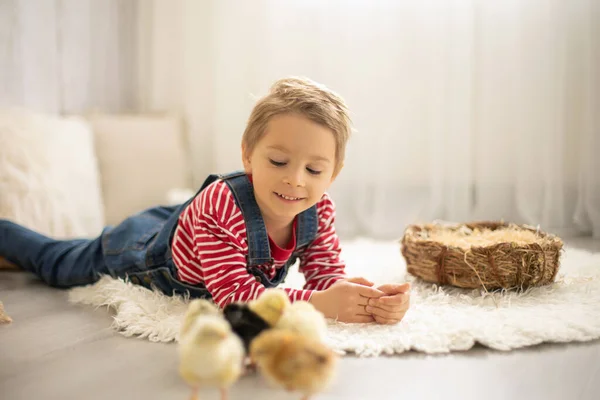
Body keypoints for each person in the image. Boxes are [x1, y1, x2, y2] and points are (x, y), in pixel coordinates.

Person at [0, 77, 410, 324]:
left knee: (72, 250)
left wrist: (362, 299)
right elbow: (233, 296)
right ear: (248, 154)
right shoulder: (223, 204)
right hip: (141, 251)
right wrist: (320, 305)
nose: (295, 179)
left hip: (184, 226)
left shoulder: (317, 210)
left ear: (333, 176)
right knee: (58, 262)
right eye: (279, 160)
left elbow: (324, 273)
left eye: (314, 170)